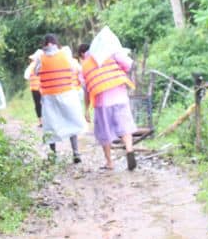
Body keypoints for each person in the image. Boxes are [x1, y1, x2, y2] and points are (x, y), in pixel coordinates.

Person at [79, 43, 138, 171]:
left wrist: (87, 110)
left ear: (84, 54)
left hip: (102, 103)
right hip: (120, 98)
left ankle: (109, 162)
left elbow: (87, 90)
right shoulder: (111, 55)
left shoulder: (85, 65)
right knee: (125, 127)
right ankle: (129, 150)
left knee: (104, 132)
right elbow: (129, 65)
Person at [35, 34, 85, 163]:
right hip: (67, 94)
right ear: (57, 43)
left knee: (51, 125)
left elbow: (35, 72)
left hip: (49, 96)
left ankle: (53, 155)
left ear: (44, 45)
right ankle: (76, 152)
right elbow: (78, 68)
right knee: (72, 122)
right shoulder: (65, 55)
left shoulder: (40, 58)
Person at [24, 53, 43, 127]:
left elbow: (26, 76)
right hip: (42, 88)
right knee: (45, 105)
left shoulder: (31, 66)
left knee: (38, 105)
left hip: (34, 88)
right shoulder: (43, 64)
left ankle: (41, 122)